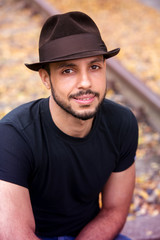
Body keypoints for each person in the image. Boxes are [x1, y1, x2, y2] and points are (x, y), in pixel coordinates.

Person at [0, 11, 138, 240]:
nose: (85, 82)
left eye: (94, 67)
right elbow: (15, 233)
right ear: (46, 78)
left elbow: (114, 211)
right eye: (68, 70)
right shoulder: (13, 136)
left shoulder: (122, 123)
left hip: (91, 233)